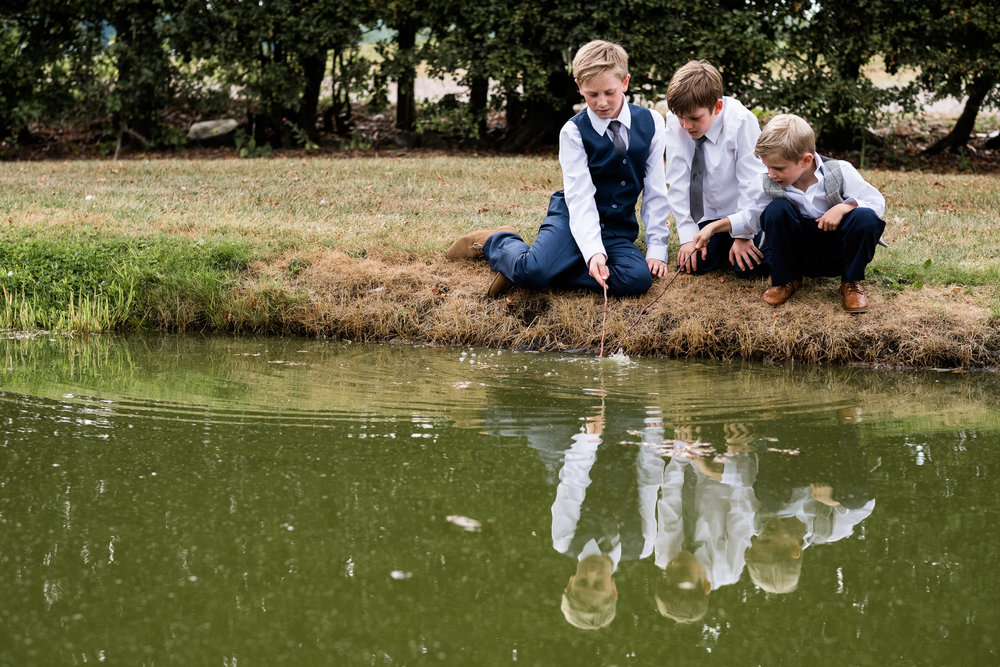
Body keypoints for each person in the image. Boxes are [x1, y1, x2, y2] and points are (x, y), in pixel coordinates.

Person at [445, 40, 671, 298]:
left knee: (636, 279)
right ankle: (495, 242)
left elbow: (655, 190)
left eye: (609, 92)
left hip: (616, 228)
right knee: (532, 272)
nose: (602, 102)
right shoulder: (573, 131)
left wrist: (656, 248)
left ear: (625, 83)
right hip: (571, 218)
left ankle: (545, 269)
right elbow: (580, 197)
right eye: (592, 94)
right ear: (579, 87)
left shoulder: (652, 122)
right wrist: (594, 252)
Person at [752, 113, 886, 312]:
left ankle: (851, 282)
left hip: (837, 250)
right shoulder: (769, 181)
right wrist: (739, 237)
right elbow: (751, 212)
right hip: (798, 252)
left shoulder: (840, 170)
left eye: (778, 168)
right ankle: (786, 279)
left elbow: (876, 202)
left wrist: (844, 207)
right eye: (767, 167)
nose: (771, 174)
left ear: (805, 160)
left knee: (865, 217)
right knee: (776, 210)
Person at [663, 60, 769, 278]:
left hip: (740, 211)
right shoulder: (676, 121)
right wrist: (687, 235)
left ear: (717, 107)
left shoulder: (741, 121)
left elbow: (753, 183)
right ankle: (718, 246)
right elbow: (678, 179)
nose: (686, 125)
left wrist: (742, 234)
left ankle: (757, 240)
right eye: (680, 116)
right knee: (695, 265)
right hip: (708, 215)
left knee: (747, 269)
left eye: (694, 118)